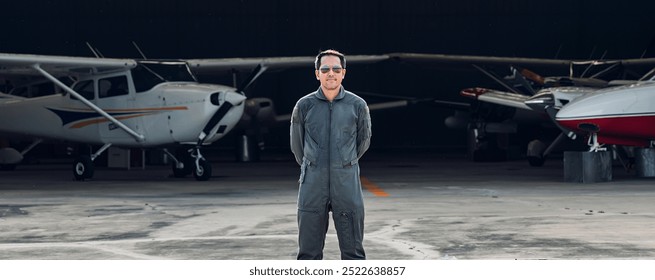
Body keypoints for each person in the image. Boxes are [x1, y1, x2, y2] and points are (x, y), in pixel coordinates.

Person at [290, 49, 372, 260]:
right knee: (308, 253)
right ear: (317, 73)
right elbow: (297, 146)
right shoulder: (304, 105)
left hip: (346, 182)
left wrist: (345, 162)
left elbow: (363, 142)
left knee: (353, 251)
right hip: (312, 182)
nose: (331, 73)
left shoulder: (358, 105)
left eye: (336, 69)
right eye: (325, 69)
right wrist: (313, 164)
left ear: (343, 73)